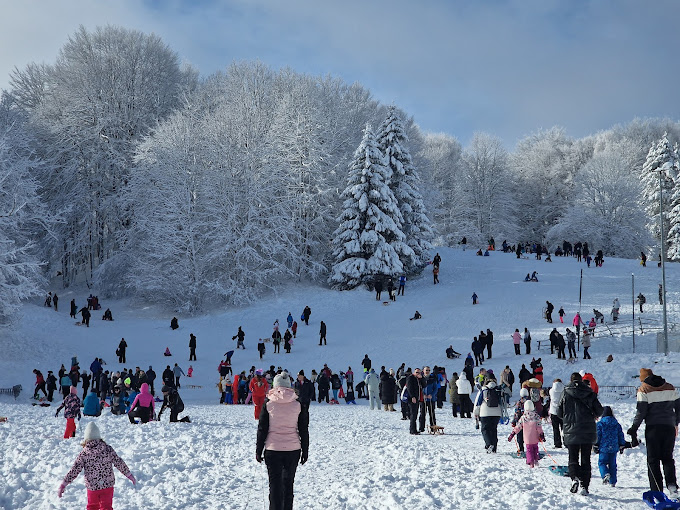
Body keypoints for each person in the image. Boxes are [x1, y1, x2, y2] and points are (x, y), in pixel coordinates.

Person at [256, 372, 309, 510]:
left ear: (275, 385)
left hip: (272, 449)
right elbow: (303, 429)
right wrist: (305, 450)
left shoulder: (268, 403)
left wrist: (258, 449)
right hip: (293, 449)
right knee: (288, 485)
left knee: (275, 487)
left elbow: (262, 428)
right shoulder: (298, 403)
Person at [627, 368, 680, 494]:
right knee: (668, 458)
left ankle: (656, 490)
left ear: (643, 378)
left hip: (653, 428)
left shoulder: (643, 389)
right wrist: (675, 424)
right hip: (669, 427)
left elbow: (641, 412)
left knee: (653, 460)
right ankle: (672, 486)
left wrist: (634, 428)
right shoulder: (670, 387)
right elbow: (679, 407)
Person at [57, 422, 136, 507]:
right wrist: (129, 475)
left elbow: (75, 469)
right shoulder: (108, 449)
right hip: (108, 485)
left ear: (86, 439)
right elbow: (119, 462)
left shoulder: (84, 454)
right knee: (106, 507)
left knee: (92, 506)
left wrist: (64, 483)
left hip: (92, 487)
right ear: (99, 437)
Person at [557, 372, 604, 495]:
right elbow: (599, 411)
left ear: (571, 380)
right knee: (585, 459)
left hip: (571, 430)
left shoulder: (565, 393)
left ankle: (574, 478)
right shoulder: (589, 392)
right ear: (581, 380)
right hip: (587, 431)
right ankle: (584, 486)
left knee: (572, 458)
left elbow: (559, 413)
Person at [595, 406, 626, 487]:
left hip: (603, 448)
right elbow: (620, 435)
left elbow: (597, 436)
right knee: (612, 464)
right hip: (614, 447)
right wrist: (622, 444)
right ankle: (613, 481)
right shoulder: (616, 424)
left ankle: (605, 474)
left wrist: (595, 444)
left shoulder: (600, 424)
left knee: (602, 462)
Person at [508, 400, 545, 467]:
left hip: (527, 437)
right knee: (535, 448)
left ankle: (531, 462)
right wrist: (541, 435)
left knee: (529, 450)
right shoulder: (537, 417)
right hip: (535, 437)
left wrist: (513, 433)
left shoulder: (523, 417)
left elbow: (518, 427)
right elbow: (539, 427)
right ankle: (536, 459)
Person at [473, 376, 502, 453]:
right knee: (493, 429)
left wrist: (476, 413)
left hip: (485, 413)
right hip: (497, 413)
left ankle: (489, 444)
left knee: (485, 429)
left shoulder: (483, 389)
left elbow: (478, 402)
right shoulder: (498, 389)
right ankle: (494, 447)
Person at [406, 368, 423, 434]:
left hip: (417, 398)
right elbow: (409, 388)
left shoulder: (418, 379)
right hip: (412, 399)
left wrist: (421, 378)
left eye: (419, 372)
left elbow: (424, 385)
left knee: (415, 414)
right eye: (417, 372)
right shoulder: (411, 378)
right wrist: (412, 396)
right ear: (414, 372)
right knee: (413, 414)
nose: (418, 374)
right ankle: (413, 430)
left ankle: (413, 429)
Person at [549, 379, 565, 448]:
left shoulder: (551, 391)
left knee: (555, 428)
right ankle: (566, 442)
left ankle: (557, 443)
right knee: (564, 428)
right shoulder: (564, 391)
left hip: (553, 411)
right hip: (562, 411)